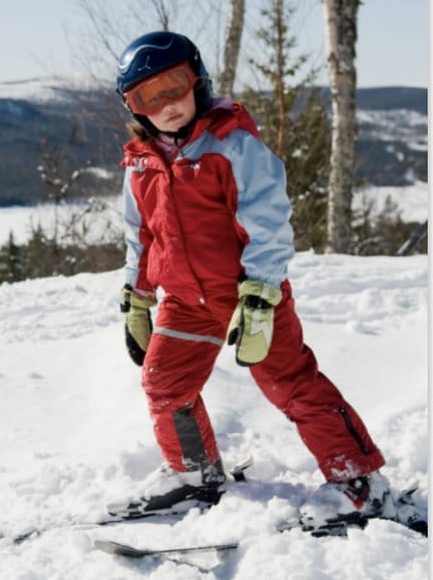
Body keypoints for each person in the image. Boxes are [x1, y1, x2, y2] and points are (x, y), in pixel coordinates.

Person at [113, 31, 387, 531]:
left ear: (197, 79)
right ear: (133, 106)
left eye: (174, 85)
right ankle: (193, 473)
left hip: (246, 297)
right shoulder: (140, 166)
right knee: (163, 383)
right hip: (184, 302)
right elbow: (141, 235)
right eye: (147, 97)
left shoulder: (233, 147)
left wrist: (259, 294)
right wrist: (137, 295)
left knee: (291, 384)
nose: (167, 105)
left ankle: (357, 480)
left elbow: (269, 223)